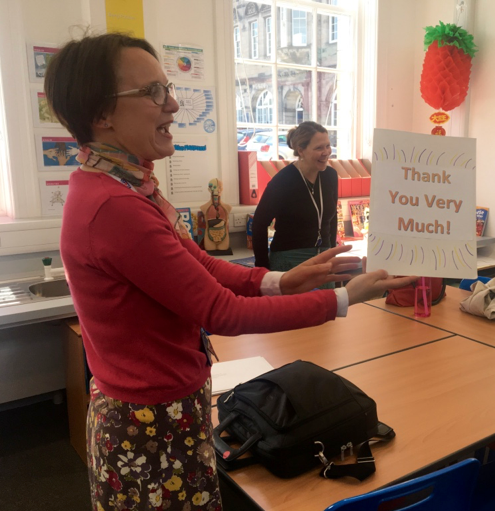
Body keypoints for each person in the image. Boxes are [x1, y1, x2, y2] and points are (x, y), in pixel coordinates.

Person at [44, 33, 414, 511]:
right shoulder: (115, 205)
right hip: (150, 422)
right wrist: (343, 299)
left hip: (163, 409)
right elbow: (221, 312)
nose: (173, 104)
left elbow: (196, 262)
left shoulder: (129, 186)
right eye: (153, 92)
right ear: (101, 115)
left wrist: (281, 280)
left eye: (168, 87)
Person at [252, 122, 339, 286]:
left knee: (326, 309)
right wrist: (262, 268)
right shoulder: (283, 181)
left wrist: (332, 252)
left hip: (324, 258)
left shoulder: (330, 176)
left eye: (328, 146)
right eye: (319, 148)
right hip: (290, 260)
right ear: (301, 150)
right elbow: (259, 224)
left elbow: (331, 219)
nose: (326, 152)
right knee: (297, 311)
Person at [199, 178, 232, 253]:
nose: (217, 190)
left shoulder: (227, 207)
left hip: (223, 235)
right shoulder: (204, 208)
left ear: (222, 189)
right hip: (209, 235)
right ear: (209, 190)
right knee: (210, 248)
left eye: (219, 187)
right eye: (214, 187)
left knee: (223, 248)